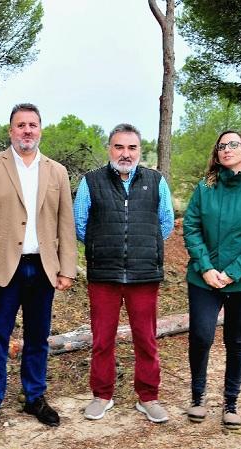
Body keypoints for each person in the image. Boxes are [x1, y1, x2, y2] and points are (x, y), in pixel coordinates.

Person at [0, 103, 77, 434]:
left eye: (32, 124)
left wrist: (67, 267)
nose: (27, 130)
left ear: (40, 129)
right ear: (11, 130)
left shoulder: (56, 171)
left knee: (38, 336)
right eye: (20, 125)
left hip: (42, 267)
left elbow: (65, 223)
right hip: (2, 269)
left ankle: (35, 397)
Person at [74, 123, 174, 423]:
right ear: (110, 148)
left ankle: (148, 397)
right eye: (119, 147)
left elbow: (165, 224)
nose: (125, 153)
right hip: (104, 276)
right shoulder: (91, 181)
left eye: (132, 148)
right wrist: (103, 247)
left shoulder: (156, 181)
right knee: (102, 339)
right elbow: (81, 225)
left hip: (144, 276)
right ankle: (102, 395)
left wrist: (142, 246)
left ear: (139, 151)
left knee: (146, 339)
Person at [182, 130, 241, 430]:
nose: (227, 150)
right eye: (222, 146)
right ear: (217, 153)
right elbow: (191, 227)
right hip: (204, 278)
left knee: (236, 339)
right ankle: (198, 398)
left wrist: (233, 271)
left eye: (233, 145)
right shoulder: (205, 188)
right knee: (201, 335)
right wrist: (207, 268)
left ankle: (231, 403)